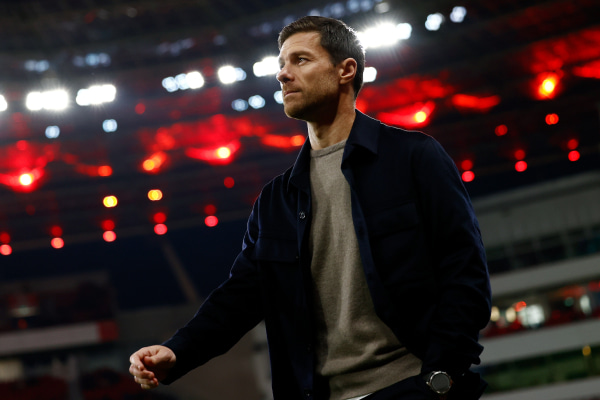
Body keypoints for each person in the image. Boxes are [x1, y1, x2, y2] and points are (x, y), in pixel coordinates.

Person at [129, 16, 492, 400]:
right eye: (281, 64)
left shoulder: (413, 157)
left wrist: (440, 375)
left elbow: (464, 271)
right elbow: (241, 296)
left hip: (410, 388)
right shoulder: (275, 200)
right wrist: (177, 351)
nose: (282, 75)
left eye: (300, 60)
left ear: (345, 70)